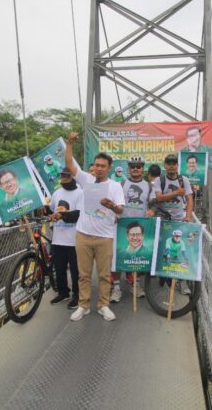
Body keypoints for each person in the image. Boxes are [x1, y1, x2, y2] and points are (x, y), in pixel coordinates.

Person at [65, 132, 125, 322]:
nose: (99, 169)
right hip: (83, 235)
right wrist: (69, 144)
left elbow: (121, 209)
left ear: (109, 168)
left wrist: (112, 206)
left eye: (102, 166)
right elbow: (69, 165)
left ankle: (103, 305)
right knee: (83, 274)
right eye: (96, 165)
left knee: (104, 275)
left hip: (105, 236)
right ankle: (83, 306)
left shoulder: (115, 186)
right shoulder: (86, 180)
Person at [111, 155, 156, 302]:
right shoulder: (120, 184)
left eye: (139, 166)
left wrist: (152, 211)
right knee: (118, 256)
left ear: (142, 169)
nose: (135, 169)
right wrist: (114, 213)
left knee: (136, 257)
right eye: (133, 166)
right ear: (128, 169)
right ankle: (116, 288)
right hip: (121, 226)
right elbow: (114, 203)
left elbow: (154, 203)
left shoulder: (149, 186)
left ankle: (135, 284)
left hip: (140, 226)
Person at [48, 167, 83, 309]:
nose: (64, 178)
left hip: (75, 240)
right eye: (62, 175)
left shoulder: (80, 193)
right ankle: (63, 292)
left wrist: (62, 215)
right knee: (59, 269)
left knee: (76, 271)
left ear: (73, 177)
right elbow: (50, 209)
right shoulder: (56, 193)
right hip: (58, 239)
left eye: (67, 176)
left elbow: (79, 214)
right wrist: (44, 210)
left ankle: (77, 295)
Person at [154, 154, 193, 222]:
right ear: (165, 166)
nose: (171, 166)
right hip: (162, 220)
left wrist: (188, 216)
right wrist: (176, 193)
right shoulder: (159, 180)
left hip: (179, 220)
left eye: (174, 164)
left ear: (177, 165)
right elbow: (159, 198)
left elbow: (189, 199)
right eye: (169, 164)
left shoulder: (184, 180)